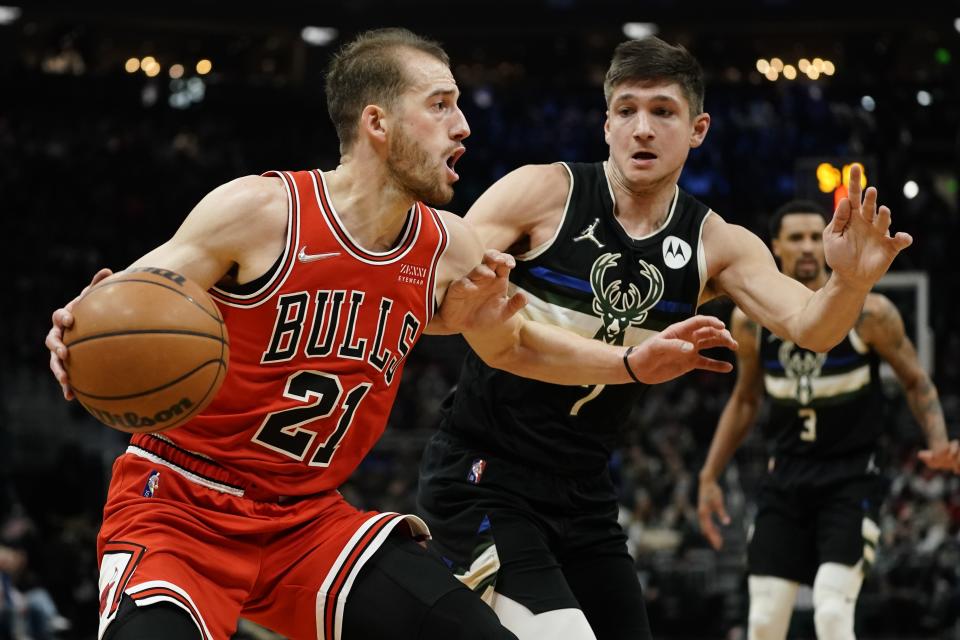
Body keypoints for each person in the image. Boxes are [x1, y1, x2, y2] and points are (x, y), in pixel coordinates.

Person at [43, 28, 735, 640]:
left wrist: (630, 364)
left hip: (307, 523)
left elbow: (516, 345)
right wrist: (74, 330)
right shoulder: (261, 211)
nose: (463, 125)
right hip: (181, 506)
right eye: (440, 105)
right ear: (377, 122)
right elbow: (125, 301)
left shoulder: (447, 247)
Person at [415, 36, 915, 640]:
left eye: (663, 111)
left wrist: (851, 282)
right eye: (626, 111)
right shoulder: (541, 193)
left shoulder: (717, 242)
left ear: (698, 128)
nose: (642, 129)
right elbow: (439, 293)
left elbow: (813, 327)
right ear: (606, 126)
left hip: (585, 490)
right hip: (484, 471)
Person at [697, 200, 959, 640]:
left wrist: (937, 439)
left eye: (812, 236)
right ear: (774, 246)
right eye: (793, 237)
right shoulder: (751, 321)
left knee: (833, 614)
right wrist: (708, 475)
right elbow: (745, 401)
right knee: (762, 621)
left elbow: (916, 382)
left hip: (851, 479)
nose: (804, 247)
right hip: (785, 479)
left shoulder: (872, 314)